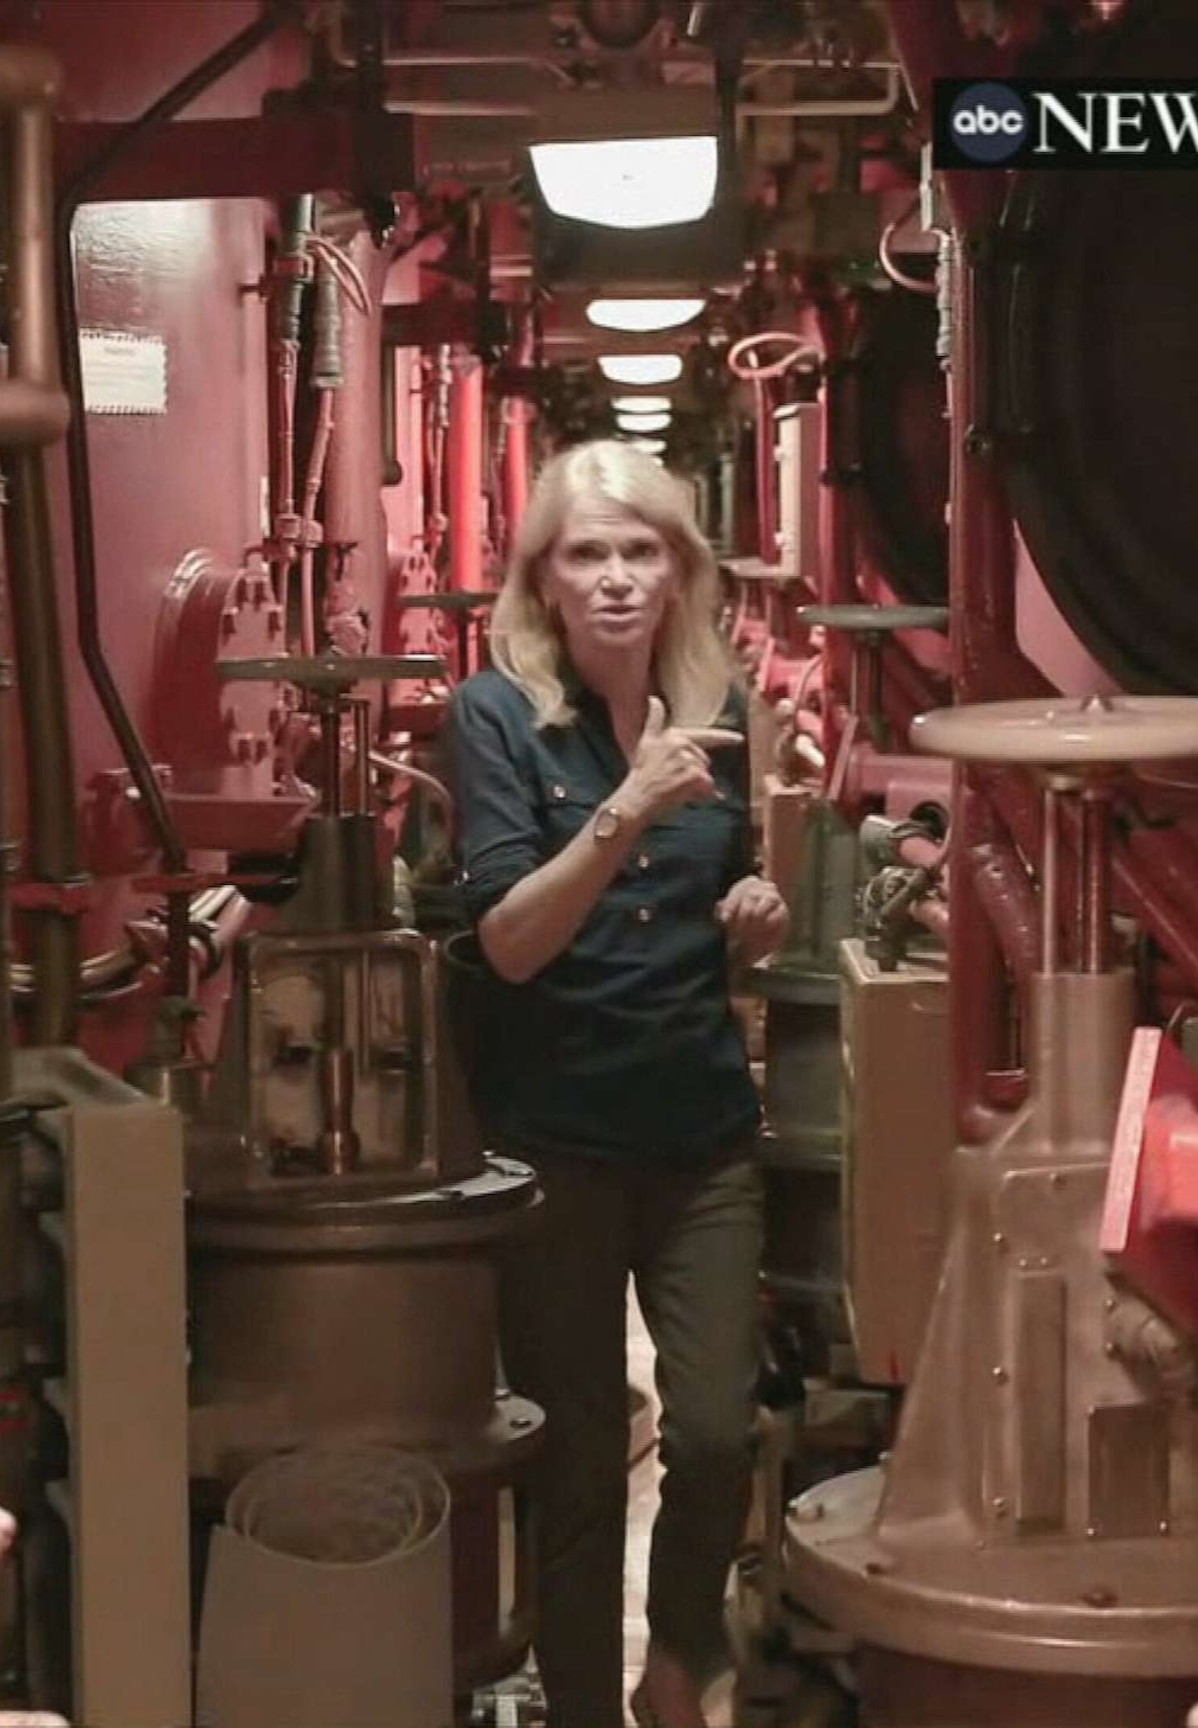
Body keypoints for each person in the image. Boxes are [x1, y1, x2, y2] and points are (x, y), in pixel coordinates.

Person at [446, 439, 788, 1728]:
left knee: (710, 1434)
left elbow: (717, 902)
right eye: (587, 553)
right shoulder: (495, 716)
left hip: (699, 1131)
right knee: (582, 1461)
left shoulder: (723, 708)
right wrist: (625, 809)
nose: (616, 577)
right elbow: (508, 941)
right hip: (556, 1147)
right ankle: (585, 1705)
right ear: (543, 580)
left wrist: (747, 911)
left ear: (680, 570)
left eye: (642, 550)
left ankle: (680, 1660)